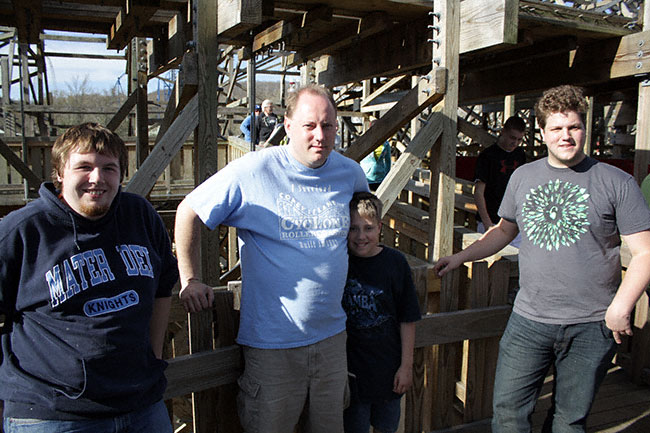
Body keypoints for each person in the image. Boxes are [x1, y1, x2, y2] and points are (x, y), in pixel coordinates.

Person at [434, 85, 650, 433]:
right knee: (508, 414)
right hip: (529, 321)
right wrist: (460, 257)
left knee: (569, 421)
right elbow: (504, 232)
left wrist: (622, 305)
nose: (566, 136)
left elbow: (644, 252)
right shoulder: (523, 176)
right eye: (556, 128)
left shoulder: (617, 182)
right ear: (543, 131)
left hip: (592, 324)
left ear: (585, 128)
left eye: (574, 127)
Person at [174, 84, 369, 433]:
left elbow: (363, 230)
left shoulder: (350, 173)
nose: (319, 136)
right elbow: (189, 210)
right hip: (272, 345)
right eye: (309, 125)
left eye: (328, 126)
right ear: (288, 125)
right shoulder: (255, 170)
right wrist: (189, 278)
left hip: (332, 339)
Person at [0, 123, 179, 433]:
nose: (97, 178)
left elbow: (163, 284)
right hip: (54, 414)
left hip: (142, 406)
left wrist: (154, 353)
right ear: (59, 173)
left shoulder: (139, 215)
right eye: (84, 167)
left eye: (109, 168)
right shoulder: (23, 231)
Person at [343, 192, 421, 433]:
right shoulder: (340, 262)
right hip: (351, 374)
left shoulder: (395, 263)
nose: (360, 236)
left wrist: (406, 367)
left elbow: (408, 318)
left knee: (386, 428)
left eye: (367, 228)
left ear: (379, 227)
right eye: (353, 228)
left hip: (389, 372)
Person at [473, 116, 526, 247]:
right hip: (492, 220)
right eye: (512, 138)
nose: (515, 143)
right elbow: (478, 192)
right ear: (503, 131)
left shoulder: (520, 155)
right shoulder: (487, 156)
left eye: (519, 139)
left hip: (513, 223)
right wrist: (487, 224)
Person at [359, 122, 391, 190]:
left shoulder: (385, 144)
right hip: (366, 177)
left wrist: (386, 176)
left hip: (380, 177)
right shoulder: (364, 141)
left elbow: (388, 161)